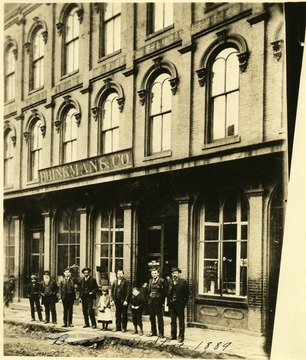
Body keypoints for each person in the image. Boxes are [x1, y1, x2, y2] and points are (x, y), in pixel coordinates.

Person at [167, 267, 190, 343]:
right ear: (171, 274)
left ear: (178, 274)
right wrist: (168, 302)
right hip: (172, 304)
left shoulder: (183, 282)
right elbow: (168, 292)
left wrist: (183, 303)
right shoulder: (170, 282)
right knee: (172, 321)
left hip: (180, 304)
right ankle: (173, 335)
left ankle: (181, 337)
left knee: (181, 321)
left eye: (176, 273)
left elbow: (187, 294)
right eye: (173, 273)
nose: (174, 275)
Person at [147, 268, 166, 338]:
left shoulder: (162, 281)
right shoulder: (150, 281)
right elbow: (148, 291)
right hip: (151, 301)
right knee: (152, 317)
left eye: (155, 273)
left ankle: (161, 333)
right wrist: (148, 300)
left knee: (159, 317)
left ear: (158, 274)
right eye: (152, 273)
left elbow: (165, 292)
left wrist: (162, 300)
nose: (154, 275)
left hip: (158, 301)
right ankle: (153, 332)